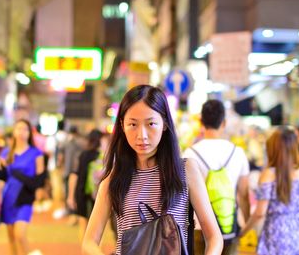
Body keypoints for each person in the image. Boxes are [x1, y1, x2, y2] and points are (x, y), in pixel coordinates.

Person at [82, 85, 223, 255]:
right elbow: (89, 242)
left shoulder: (186, 170)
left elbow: (214, 237)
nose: (142, 135)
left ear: (164, 124)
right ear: (122, 125)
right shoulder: (114, 179)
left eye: (151, 124)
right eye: (133, 124)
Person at [183, 99, 250, 255]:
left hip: (200, 227)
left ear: (201, 121)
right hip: (229, 223)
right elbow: (244, 194)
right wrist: (246, 223)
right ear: (224, 122)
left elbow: (183, 195)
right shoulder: (237, 152)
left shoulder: (189, 153)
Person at [240, 126, 299, 255]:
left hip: (275, 233)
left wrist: (243, 231)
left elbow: (260, 212)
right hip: (297, 233)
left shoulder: (269, 174)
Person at [0, 119, 46, 255]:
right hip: (8, 197)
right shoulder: (6, 153)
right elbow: (2, 177)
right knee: (11, 237)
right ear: (13, 131)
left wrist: (40, 191)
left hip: (25, 197)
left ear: (29, 133)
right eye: (18, 128)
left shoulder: (36, 153)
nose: (21, 132)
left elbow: (40, 179)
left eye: (25, 129)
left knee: (20, 233)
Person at [67, 129, 102, 241]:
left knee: (83, 224)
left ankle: (85, 249)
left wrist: (71, 196)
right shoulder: (102, 156)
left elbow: (74, 175)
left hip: (81, 192)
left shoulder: (82, 155)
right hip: (97, 194)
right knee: (97, 228)